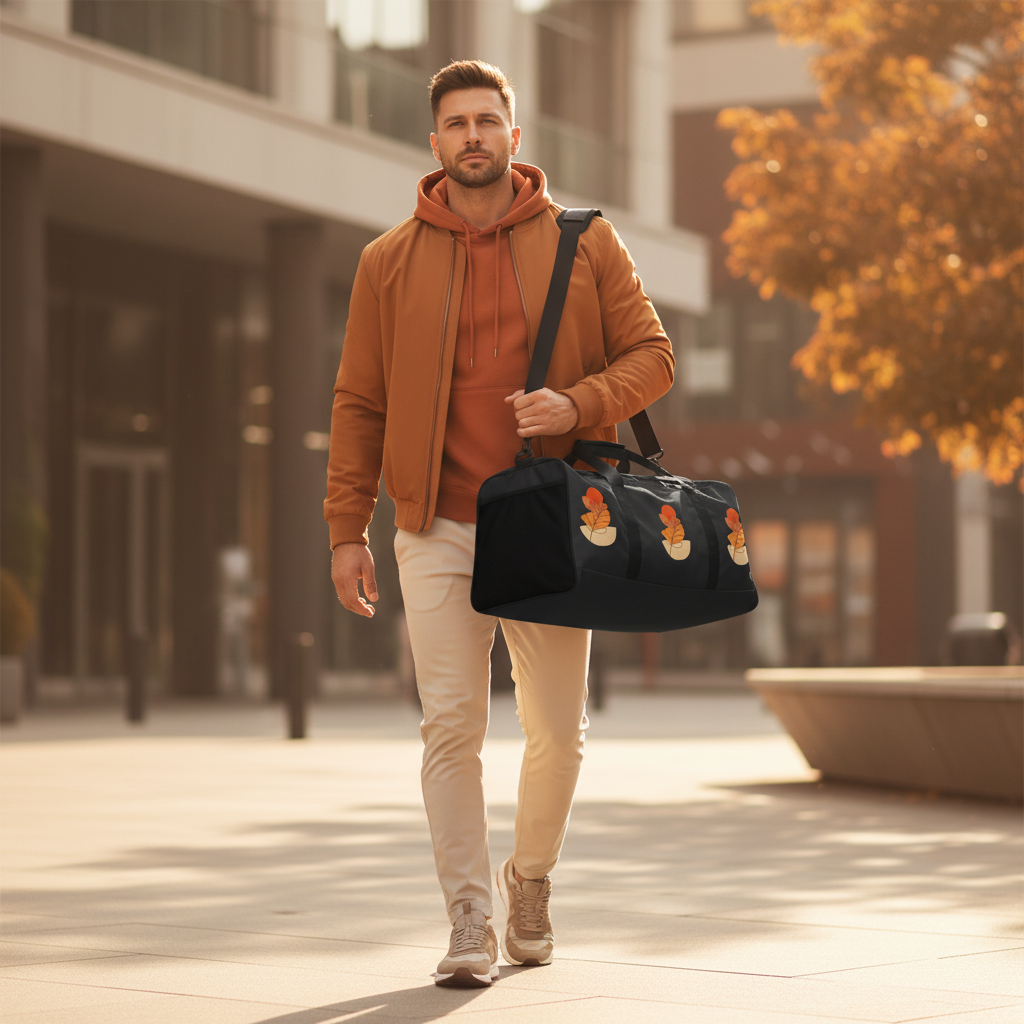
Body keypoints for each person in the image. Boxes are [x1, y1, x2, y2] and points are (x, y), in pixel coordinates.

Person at [325, 60, 673, 987]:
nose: (472, 136)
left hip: (552, 523)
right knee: (451, 728)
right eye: (456, 123)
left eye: (487, 121)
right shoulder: (386, 261)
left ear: (515, 138)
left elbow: (655, 355)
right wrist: (347, 529)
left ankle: (530, 880)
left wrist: (578, 403)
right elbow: (358, 402)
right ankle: (469, 916)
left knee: (558, 731)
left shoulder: (585, 241)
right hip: (434, 522)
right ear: (434, 141)